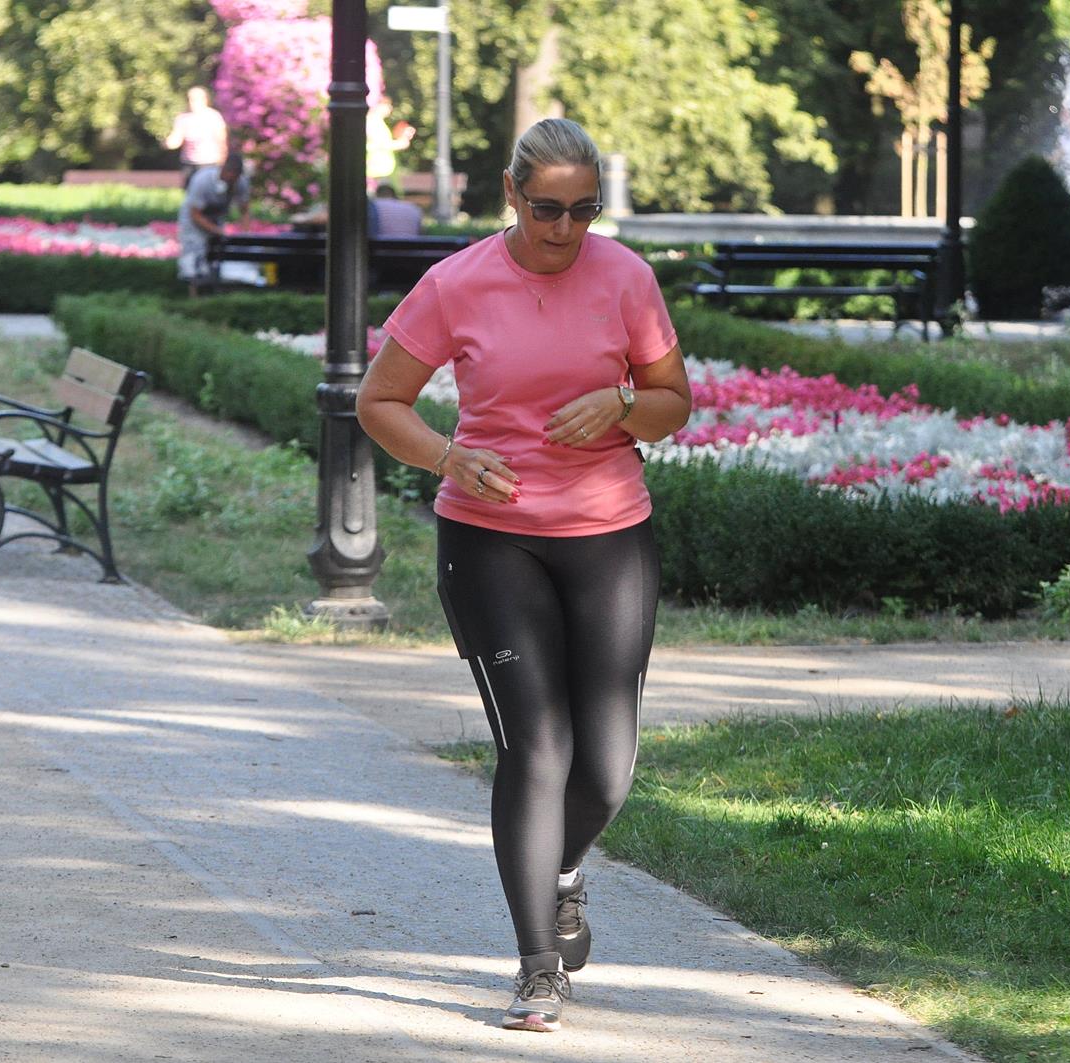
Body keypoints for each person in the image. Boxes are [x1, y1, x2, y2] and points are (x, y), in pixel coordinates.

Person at [356, 118, 691, 1033]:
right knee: (538, 749)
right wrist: (448, 456)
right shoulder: (455, 284)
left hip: (610, 534)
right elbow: (380, 401)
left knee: (608, 770)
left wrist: (623, 402)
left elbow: (674, 403)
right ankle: (538, 965)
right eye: (547, 209)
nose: (565, 229)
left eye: (584, 210)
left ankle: (565, 868)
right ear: (511, 193)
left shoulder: (626, 278)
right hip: (490, 540)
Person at [177, 153, 250, 295]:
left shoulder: (241, 183)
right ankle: (194, 295)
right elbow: (195, 215)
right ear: (223, 169)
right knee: (195, 258)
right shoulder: (202, 180)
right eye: (230, 174)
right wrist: (218, 231)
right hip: (194, 223)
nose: (232, 179)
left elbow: (245, 210)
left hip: (216, 220)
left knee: (216, 255)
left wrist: (245, 234)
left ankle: (215, 293)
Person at [165, 86, 229, 188]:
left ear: (205, 100)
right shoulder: (182, 118)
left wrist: (222, 161)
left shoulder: (214, 117)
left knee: (208, 191)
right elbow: (176, 139)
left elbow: (221, 140)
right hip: (189, 163)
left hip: (209, 162)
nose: (192, 102)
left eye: (195, 99)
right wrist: (168, 143)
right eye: (190, 99)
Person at [365, 97, 414, 194]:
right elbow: (381, 144)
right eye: (387, 105)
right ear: (378, 106)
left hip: (381, 170)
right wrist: (401, 143)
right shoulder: (372, 122)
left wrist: (403, 137)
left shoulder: (378, 122)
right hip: (376, 171)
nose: (390, 108)